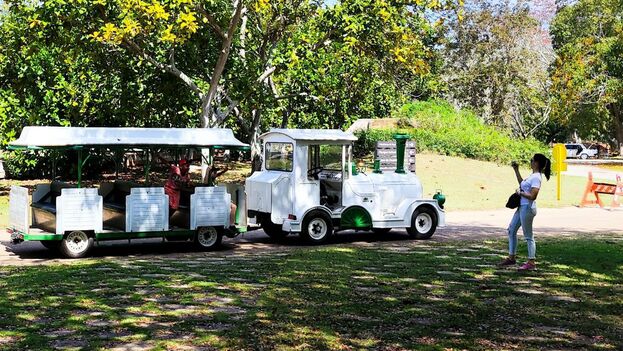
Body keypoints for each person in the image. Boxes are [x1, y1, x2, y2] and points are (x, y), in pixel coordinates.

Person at [499, 153, 551, 271]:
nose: (530, 161)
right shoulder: (532, 176)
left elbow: (533, 196)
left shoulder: (537, 177)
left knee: (528, 235)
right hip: (522, 207)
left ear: (536, 163)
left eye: (532, 160)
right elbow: (522, 184)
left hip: (527, 208)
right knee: (511, 230)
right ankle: (511, 257)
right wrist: (516, 170)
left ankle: (531, 262)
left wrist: (520, 193)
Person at [204, 163, 238, 230]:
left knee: (231, 204)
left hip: (214, 200)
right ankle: (231, 224)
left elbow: (217, 175)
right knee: (233, 206)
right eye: (214, 171)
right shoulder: (209, 181)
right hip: (214, 202)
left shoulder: (211, 180)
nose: (216, 172)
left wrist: (224, 171)